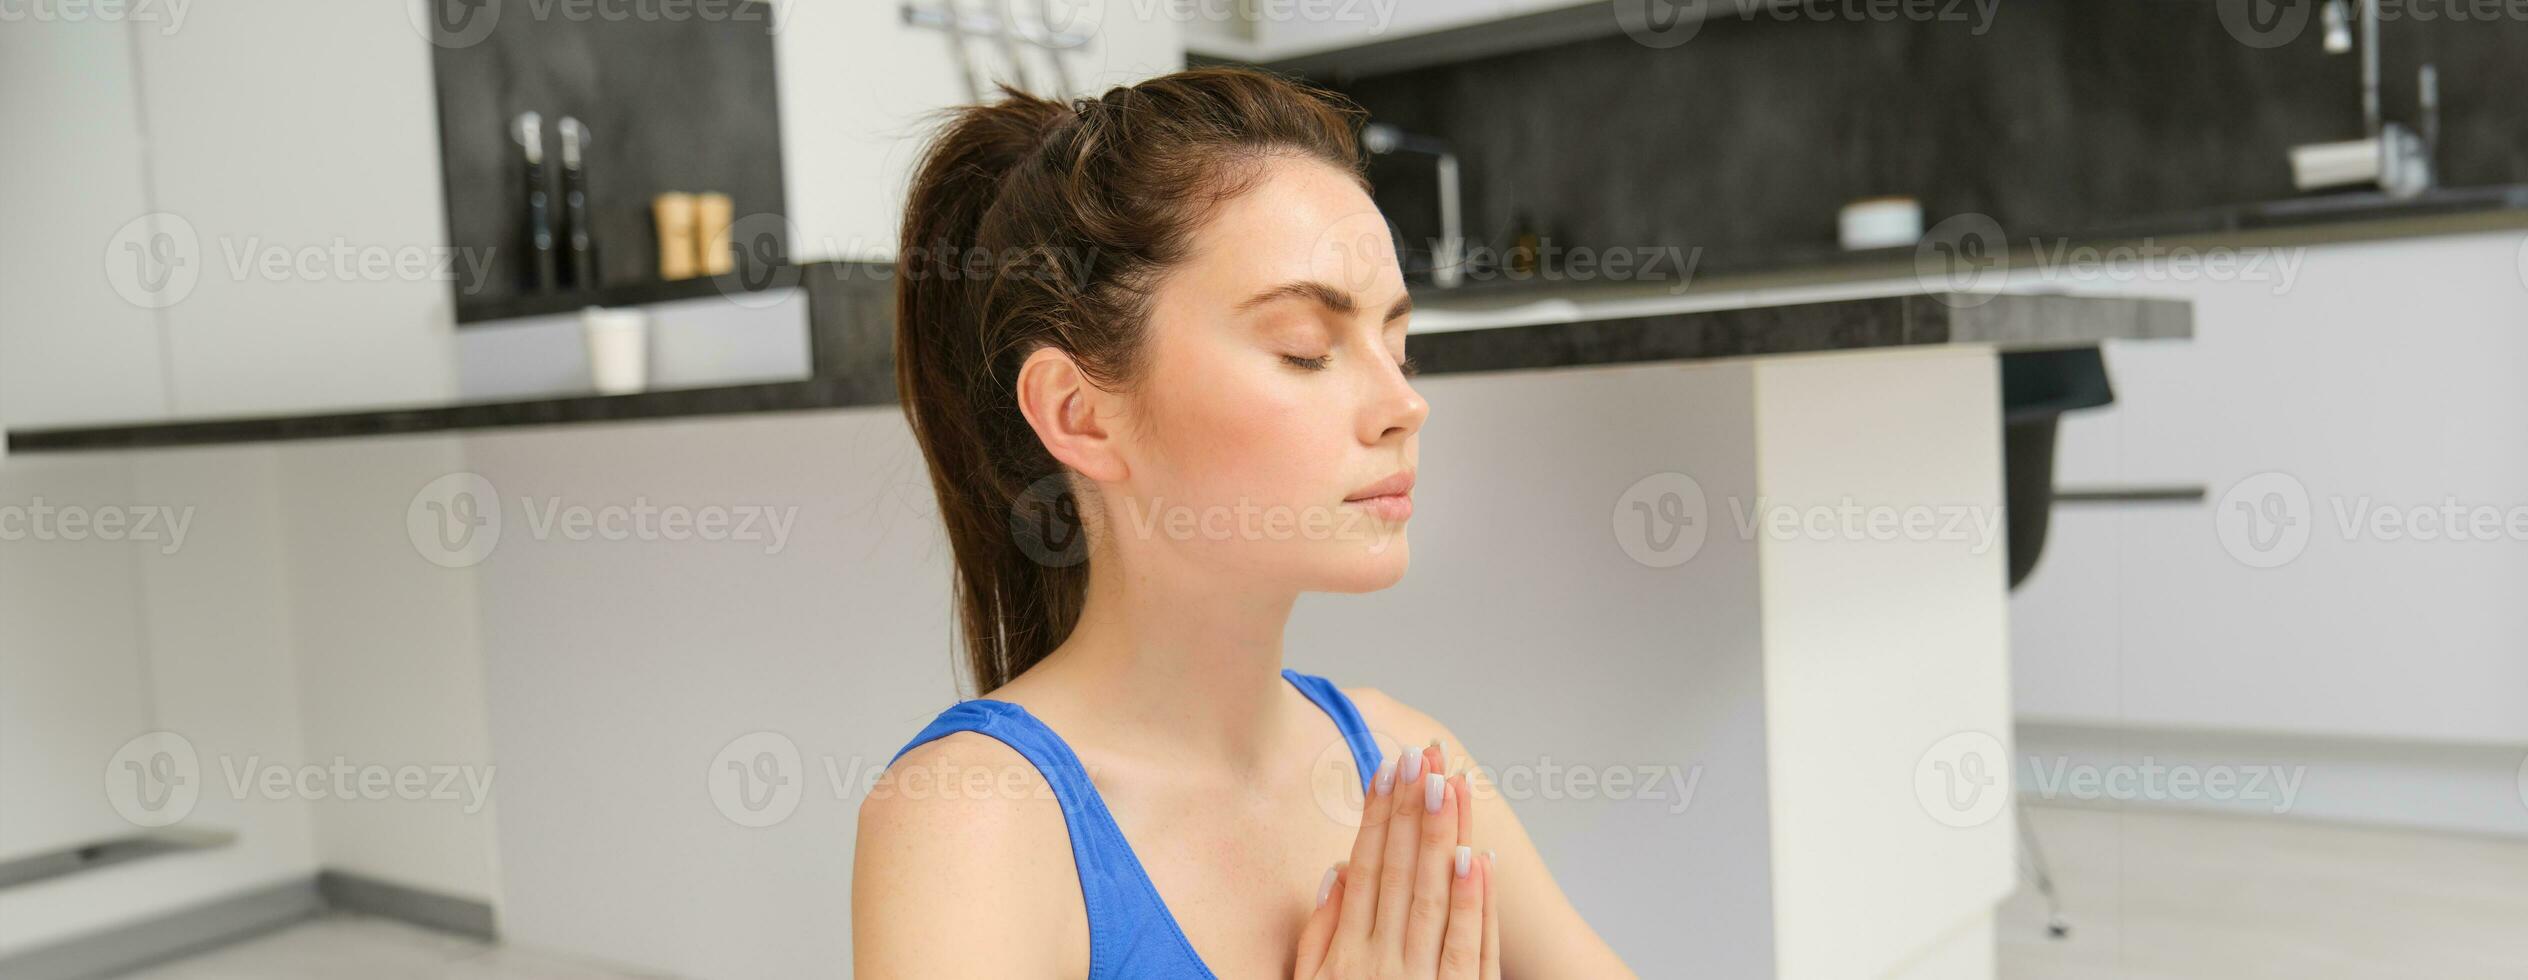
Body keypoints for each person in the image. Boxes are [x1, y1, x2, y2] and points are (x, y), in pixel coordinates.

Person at [852, 66, 1633, 979]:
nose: (1403, 404)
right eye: (1306, 351)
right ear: (1079, 413)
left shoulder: (1407, 767)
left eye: (1398, 345)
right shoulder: (973, 820)